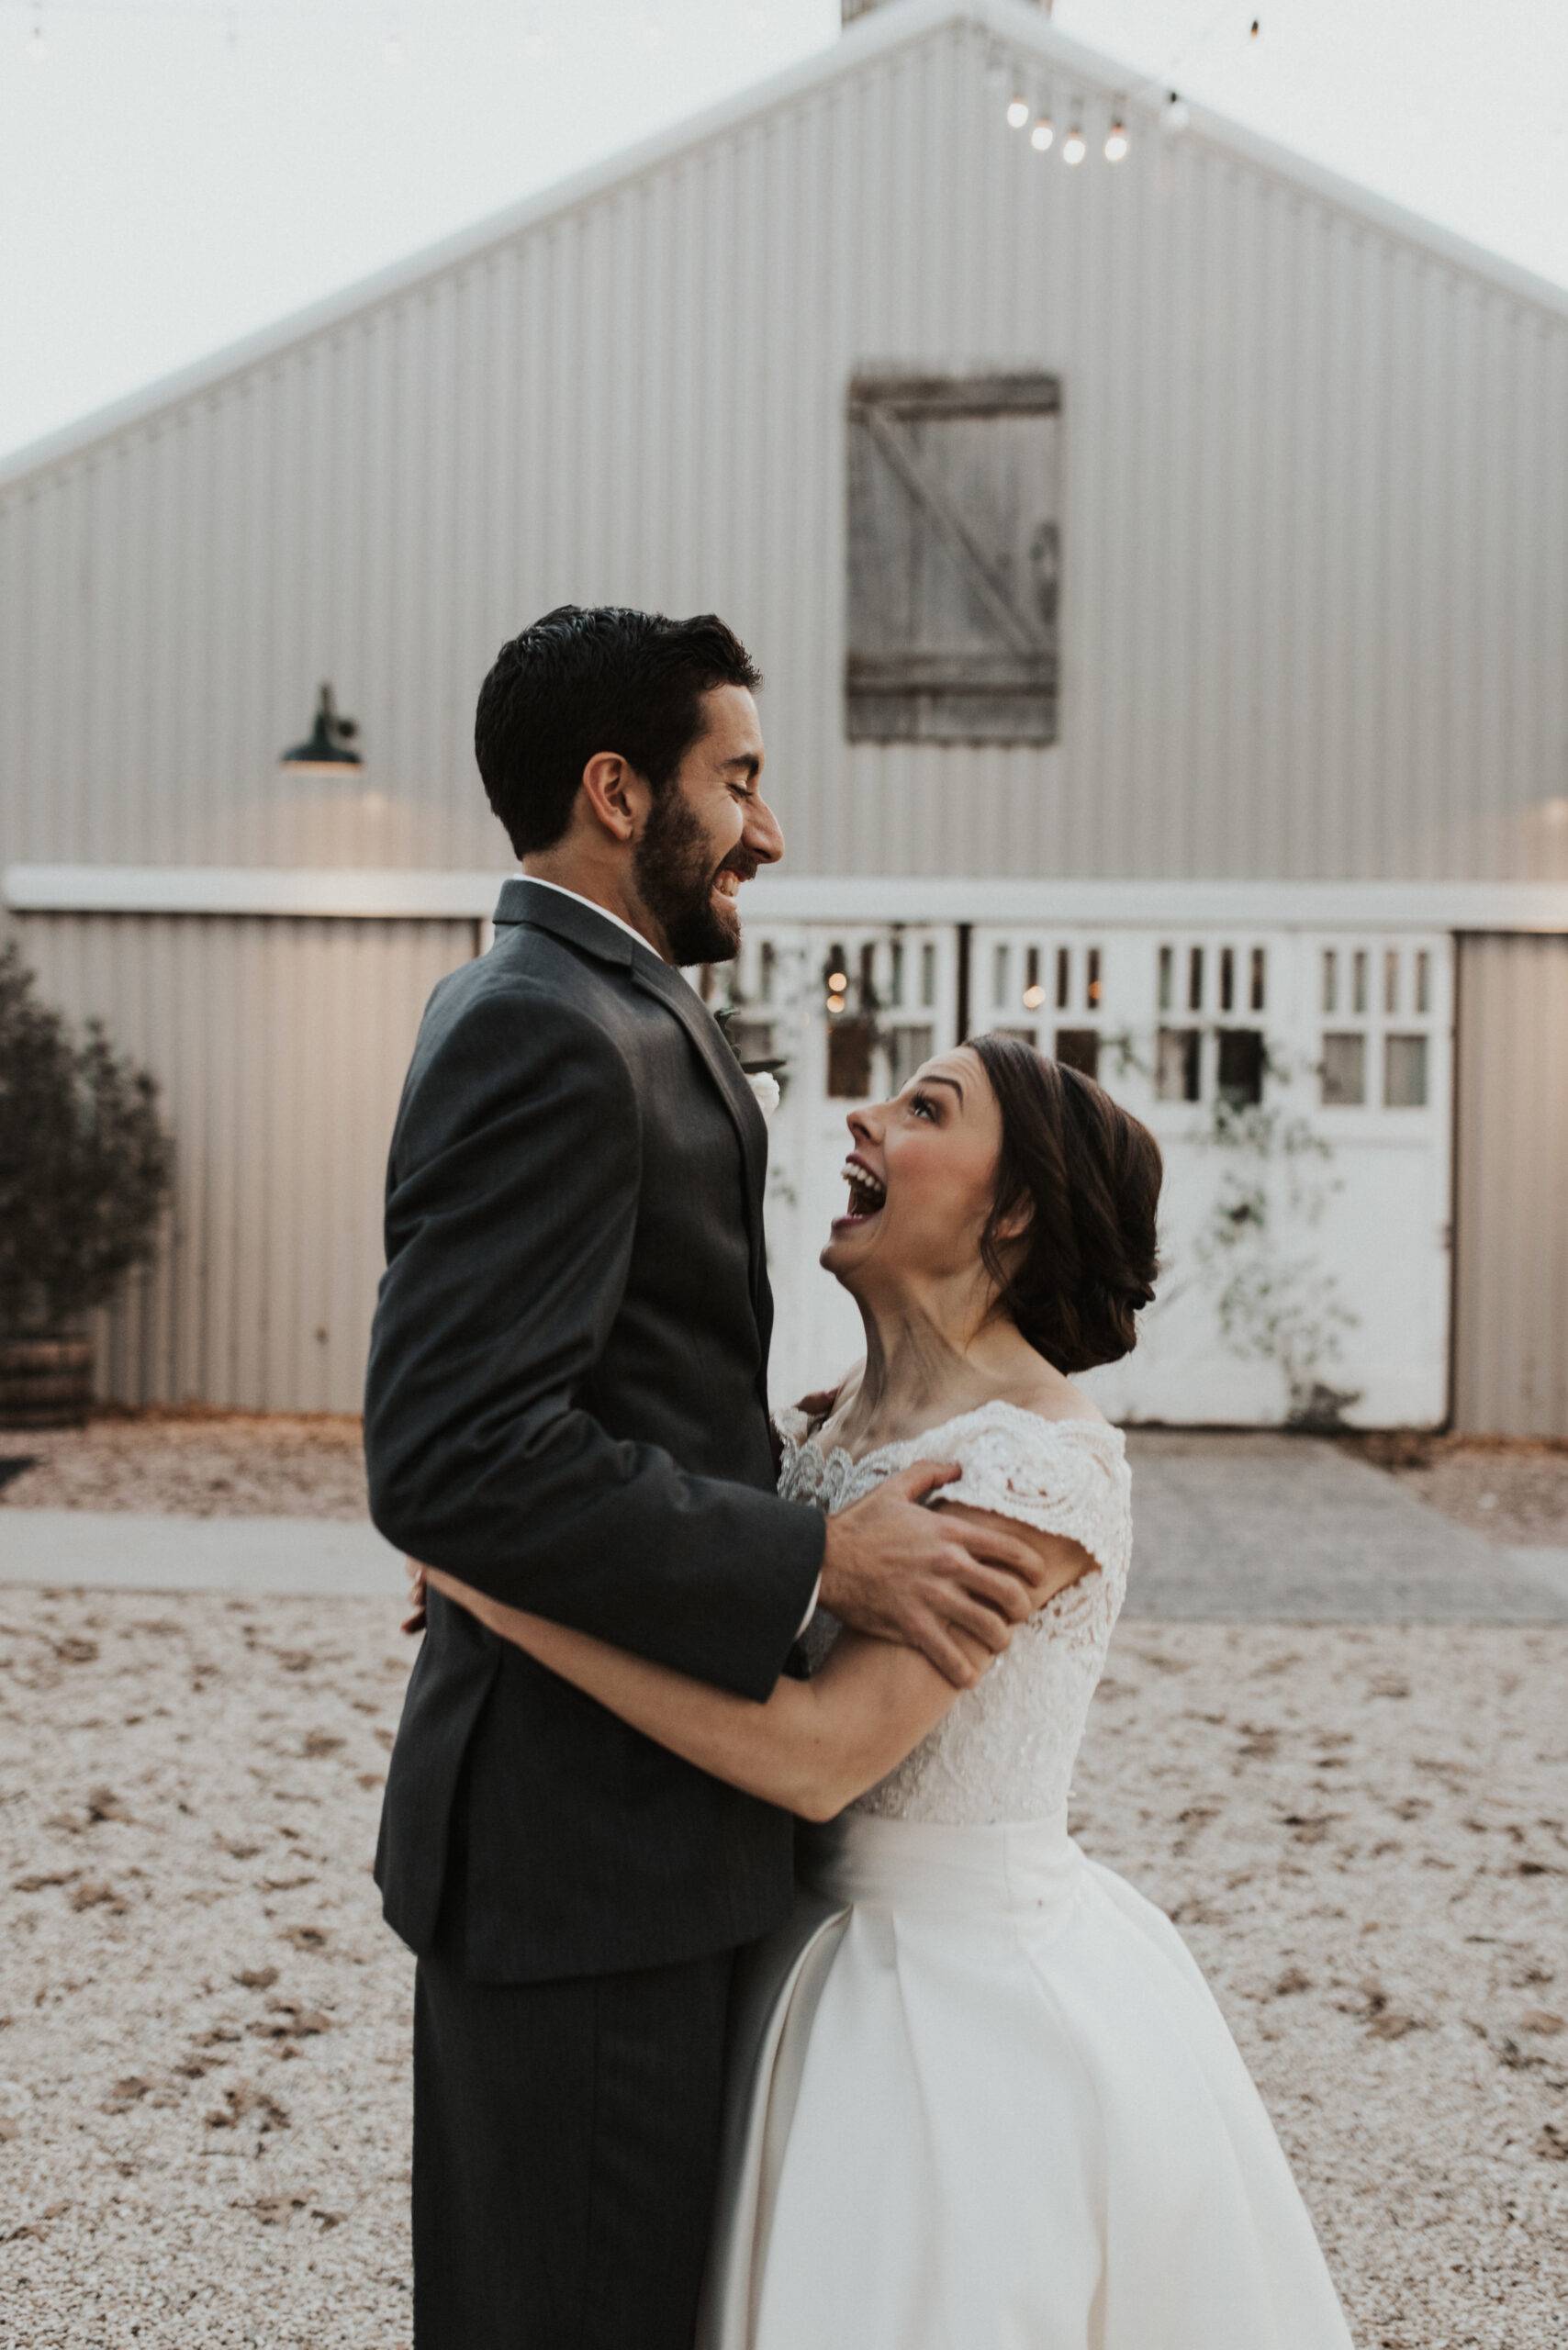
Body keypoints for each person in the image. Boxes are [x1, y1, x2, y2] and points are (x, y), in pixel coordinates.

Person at [425, 1033, 1358, 2350]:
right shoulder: (824, 1428)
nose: (861, 1116)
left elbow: (820, 1757)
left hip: (945, 2006)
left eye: (925, 1108)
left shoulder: (1034, 1469)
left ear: (1016, 1207)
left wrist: (501, 1591)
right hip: (774, 1948)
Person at [364, 605, 1052, 2349]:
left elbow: (574, 1407)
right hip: (585, 1863)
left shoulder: (601, 1006)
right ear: (615, 790)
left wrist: (787, 1469)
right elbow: (450, 1447)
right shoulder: (546, 1026)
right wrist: (813, 1563)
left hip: (642, 1838)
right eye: (737, 780)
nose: (767, 826)